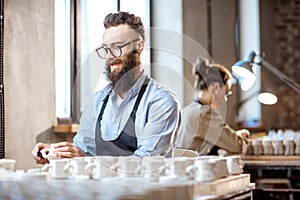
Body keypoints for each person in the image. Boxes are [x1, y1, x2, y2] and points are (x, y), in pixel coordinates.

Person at [32, 11, 181, 164]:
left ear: (139, 46)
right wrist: (57, 154)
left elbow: (145, 164)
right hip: (99, 188)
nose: (110, 56)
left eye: (117, 47)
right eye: (105, 49)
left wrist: (88, 160)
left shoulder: (161, 102)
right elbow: (82, 151)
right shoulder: (97, 102)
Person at [175, 58, 249, 155]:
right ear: (216, 87)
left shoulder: (186, 111)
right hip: (195, 168)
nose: (225, 99)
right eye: (226, 93)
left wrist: (234, 135)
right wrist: (241, 136)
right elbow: (236, 145)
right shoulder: (204, 114)